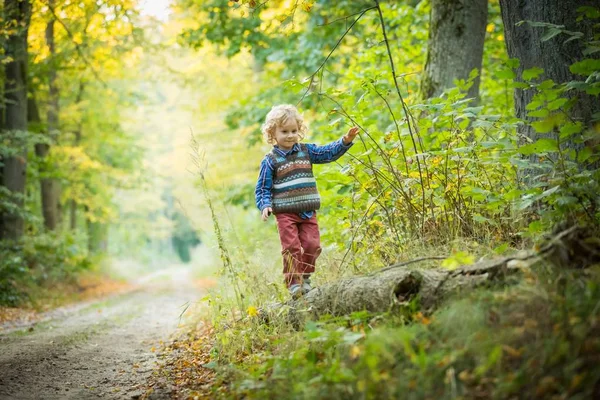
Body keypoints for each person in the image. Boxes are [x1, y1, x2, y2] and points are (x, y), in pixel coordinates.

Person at [255, 104, 359, 298]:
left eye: (294, 131)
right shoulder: (270, 160)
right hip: (285, 213)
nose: (290, 135)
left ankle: (305, 275)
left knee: (313, 245)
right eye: (284, 131)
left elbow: (327, 153)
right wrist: (265, 205)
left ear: (299, 130)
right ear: (272, 133)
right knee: (291, 247)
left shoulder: (306, 151)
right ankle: (294, 282)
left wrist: (345, 141)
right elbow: (262, 187)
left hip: (308, 211)